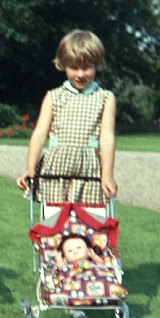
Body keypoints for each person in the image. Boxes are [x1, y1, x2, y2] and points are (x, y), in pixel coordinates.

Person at [16, 29, 118, 204]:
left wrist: (107, 175)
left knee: (89, 224)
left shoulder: (105, 98)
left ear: (96, 65)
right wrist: (30, 168)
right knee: (54, 224)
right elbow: (40, 134)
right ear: (63, 65)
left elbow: (107, 137)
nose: (80, 74)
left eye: (86, 67)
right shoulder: (53, 97)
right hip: (56, 169)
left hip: (89, 170)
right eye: (74, 68)